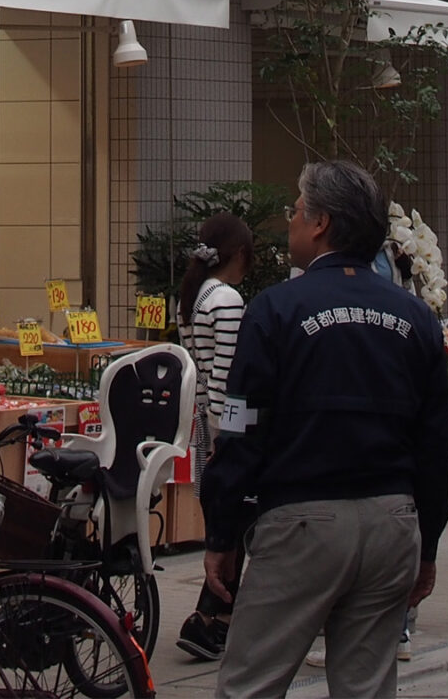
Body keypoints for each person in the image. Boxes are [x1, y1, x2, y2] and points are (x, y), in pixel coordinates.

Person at [202, 161, 448, 699]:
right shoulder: (417, 319)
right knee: (367, 687)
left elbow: (241, 427)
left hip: (301, 523)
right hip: (392, 521)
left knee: (251, 685)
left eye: (295, 210)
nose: (289, 220)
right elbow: (435, 444)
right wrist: (426, 544)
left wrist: (222, 531)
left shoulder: (275, 310)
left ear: (321, 224)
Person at [176, 214, 256, 662]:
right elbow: (229, 373)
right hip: (227, 426)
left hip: (204, 423)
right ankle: (211, 618)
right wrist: (236, 433)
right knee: (236, 526)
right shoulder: (226, 299)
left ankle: (217, 619)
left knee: (224, 523)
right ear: (239, 254)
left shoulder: (191, 296)